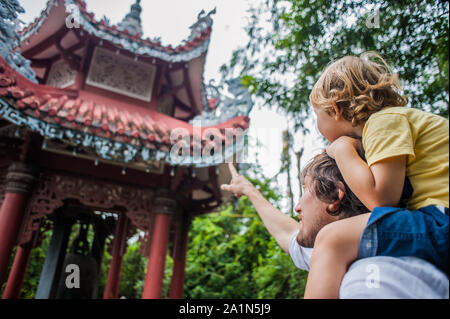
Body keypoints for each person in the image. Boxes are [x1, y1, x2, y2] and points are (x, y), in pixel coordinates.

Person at [303, 51, 449, 298]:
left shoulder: (383, 123)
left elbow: (381, 199)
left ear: (336, 109)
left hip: (442, 220)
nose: (319, 129)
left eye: (317, 116)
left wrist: (341, 150)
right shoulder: (396, 122)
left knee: (332, 239)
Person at [221, 155, 449, 298]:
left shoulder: (374, 276)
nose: (297, 207)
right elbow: (287, 233)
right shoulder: (335, 253)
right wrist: (249, 190)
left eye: (305, 191)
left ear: (336, 196)